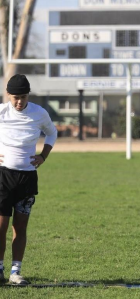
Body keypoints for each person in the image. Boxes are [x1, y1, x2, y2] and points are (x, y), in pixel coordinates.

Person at [0, 74, 57, 285]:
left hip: (27, 178)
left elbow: (52, 133)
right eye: (15, 97)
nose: (19, 102)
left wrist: (43, 156)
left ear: (28, 96)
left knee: (20, 227)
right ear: (8, 95)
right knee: (0, 226)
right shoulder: (2, 112)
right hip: (3, 176)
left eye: (23, 97)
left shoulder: (39, 113)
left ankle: (15, 271)